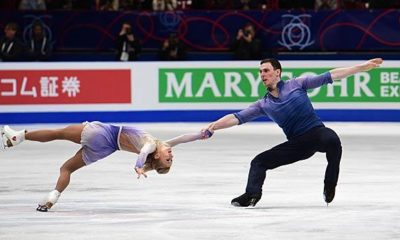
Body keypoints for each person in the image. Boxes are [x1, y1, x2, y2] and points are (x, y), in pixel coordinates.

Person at [203, 58, 383, 207]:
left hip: (316, 132)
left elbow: (331, 75)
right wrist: (214, 126)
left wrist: (361, 67)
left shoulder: (297, 84)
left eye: (266, 70)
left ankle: (329, 185)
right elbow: (237, 117)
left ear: (277, 72)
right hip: (297, 145)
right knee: (258, 162)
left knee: (333, 141)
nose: (262, 75)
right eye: (260, 72)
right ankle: (251, 194)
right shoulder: (263, 104)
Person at [1, 121, 209, 212]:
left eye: (167, 159)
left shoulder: (152, 145)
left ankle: (18, 137)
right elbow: (182, 138)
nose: (171, 155)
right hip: (106, 148)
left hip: (102, 134)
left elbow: (144, 151)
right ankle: (51, 197)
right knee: (66, 169)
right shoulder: (162, 145)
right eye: (171, 158)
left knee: (58, 133)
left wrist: (138, 166)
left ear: (157, 156)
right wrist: (201, 135)